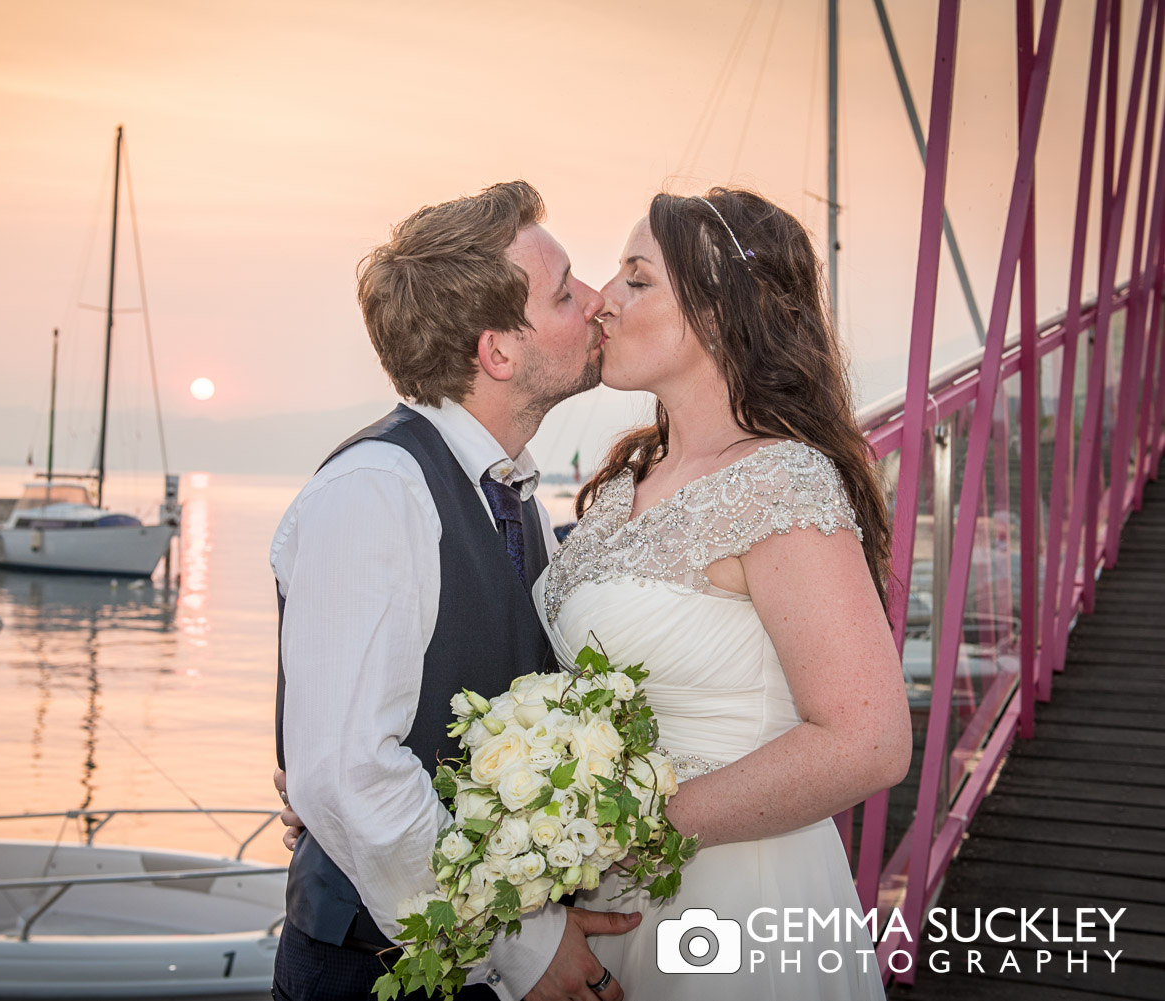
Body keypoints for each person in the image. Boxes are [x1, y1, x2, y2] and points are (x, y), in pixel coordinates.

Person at [271, 180, 641, 1001]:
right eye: (565, 289)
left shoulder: (517, 503)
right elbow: (347, 773)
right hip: (376, 975)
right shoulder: (377, 491)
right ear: (498, 352)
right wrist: (525, 945)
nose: (597, 300)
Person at [537, 188, 911, 999]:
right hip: (605, 900)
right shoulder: (623, 484)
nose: (603, 300)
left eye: (638, 279)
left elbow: (869, 739)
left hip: (735, 899)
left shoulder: (779, 481)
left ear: (716, 313)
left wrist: (633, 833)